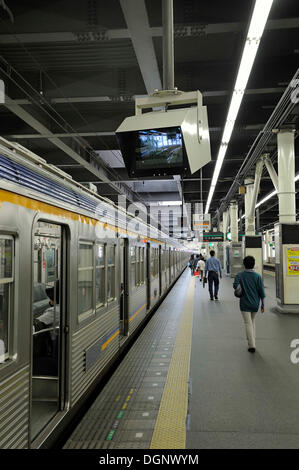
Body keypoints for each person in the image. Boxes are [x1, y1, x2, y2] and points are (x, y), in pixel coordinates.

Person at [233, 256, 265, 353]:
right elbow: (261, 292)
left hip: (245, 303)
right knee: (252, 321)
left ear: (244, 264)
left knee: (248, 323)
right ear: (253, 264)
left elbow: (235, 286)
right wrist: (263, 305)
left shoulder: (240, 275)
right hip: (255, 304)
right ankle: (252, 340)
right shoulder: (258, 276)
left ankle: (252, 345)